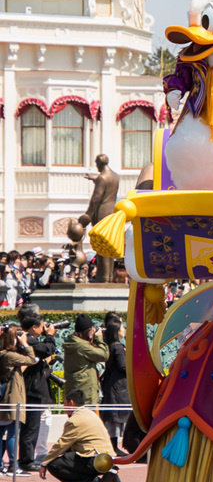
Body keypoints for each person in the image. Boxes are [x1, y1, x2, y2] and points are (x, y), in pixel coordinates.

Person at [39, 389, 121, 482]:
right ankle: (109, 471)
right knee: (68, 452)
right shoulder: (91, 414)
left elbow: (61, 445)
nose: (64, 407)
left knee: (54, 464)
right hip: (107, 456)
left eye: (64, 403)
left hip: (93, 460)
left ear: (71, 403)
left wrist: (44, 463)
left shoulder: (74, 421)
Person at [18, 313, 56, 471]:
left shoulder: (27, 339)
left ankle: (27, 459)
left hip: (31, 388)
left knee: (31, 427)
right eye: (41, 326)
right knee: (30, 427)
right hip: (31, 390)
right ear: (34, 327)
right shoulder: (28, 340)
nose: (44, 328)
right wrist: (50, 336)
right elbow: (47, 349)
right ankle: (26, 461)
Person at [0, 324, 35, 475]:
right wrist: (25, 344)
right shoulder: (9, 356)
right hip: (11, 398)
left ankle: (1, 465)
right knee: (13, 432)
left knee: (1, 432)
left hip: (5, 398)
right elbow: (32, 359)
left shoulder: (3, 354)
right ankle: (13, 465)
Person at [80, 154, 120, 283]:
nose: (95, 166)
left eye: (96, 163)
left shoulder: (102, 178)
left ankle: (102, 276)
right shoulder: (114, 176)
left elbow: (96, 198)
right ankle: (108, 275)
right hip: (111, 211)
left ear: (99, 163)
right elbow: (107, 187)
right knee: (109, 245)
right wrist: (95, 180)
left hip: (102, 212)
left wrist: (88, 214)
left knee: (101, 244)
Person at [63, 314, 109, 403]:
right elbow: (104, 355)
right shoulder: (83, 347)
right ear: (87, 331)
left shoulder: (72, 342)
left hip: (75, 391)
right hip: (85, 394)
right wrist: (99, 339)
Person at [101, 318, 130, 456]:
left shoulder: (111, 346)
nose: (124, 330)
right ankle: (114, 447)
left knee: (114, 418)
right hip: (118, 387)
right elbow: (123, 366)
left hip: (113, 385)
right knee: (116, 417)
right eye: (122, 327)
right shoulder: (118, 347)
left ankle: (114, 446)